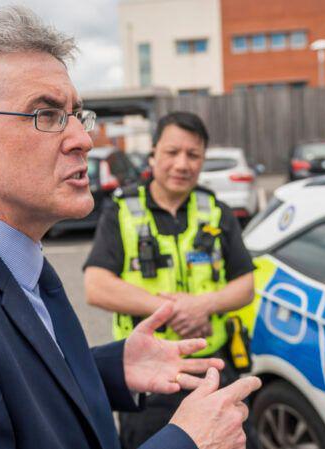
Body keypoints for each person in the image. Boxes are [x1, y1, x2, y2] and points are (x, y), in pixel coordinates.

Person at [0, 7, 261, 449]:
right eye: (45, 115)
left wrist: (110, 368)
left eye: (75, 114)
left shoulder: (4, 259)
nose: (83, 139)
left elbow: (16, 387)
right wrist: (187, 442)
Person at [83, 112, 257, 449]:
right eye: (172, 152)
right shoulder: (121, 211)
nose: (182, 164)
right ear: (153, 155)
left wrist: (205, 305)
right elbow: (96, 285)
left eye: (193, 155)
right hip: (147, 376)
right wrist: (174, 309)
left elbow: (245, 284)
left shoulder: (217, 211)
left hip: (212, 369)